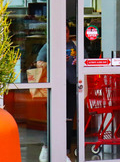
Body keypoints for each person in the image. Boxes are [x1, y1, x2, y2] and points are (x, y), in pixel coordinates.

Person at [36, 26, 77, 162]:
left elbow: (86, 61)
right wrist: (56, 61)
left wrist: (78, 62)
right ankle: (47, 147)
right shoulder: (49, 45)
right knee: (53, 118)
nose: (64, 34)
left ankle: (65, 151)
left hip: (71, 86)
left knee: (68, 119)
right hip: (54, 87)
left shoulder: (75, 46)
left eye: (66, 31)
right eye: (62, 31)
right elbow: (39, 63)